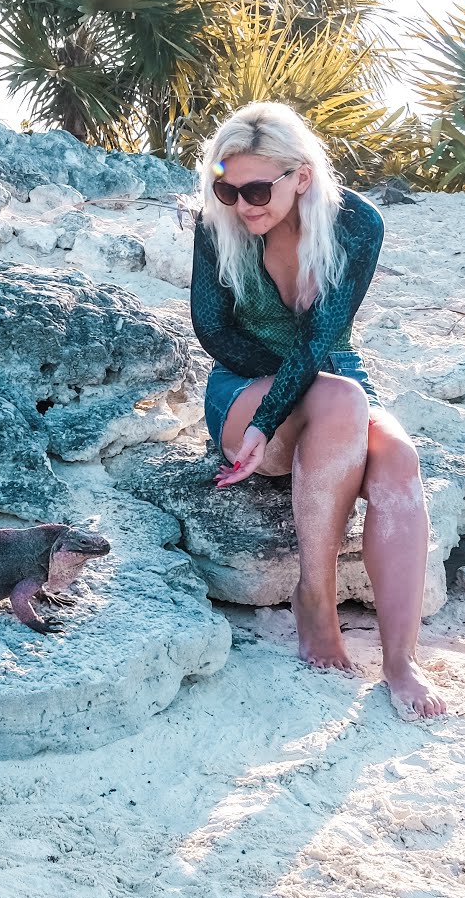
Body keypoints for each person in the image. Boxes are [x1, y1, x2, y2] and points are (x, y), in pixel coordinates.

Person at [189, 100, 445, 719]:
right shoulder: (217, 225)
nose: (242, 205)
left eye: (257, 190)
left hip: (332, 374)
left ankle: (401, 659)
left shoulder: (356, 224)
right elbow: (214, 331)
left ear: (300, 176)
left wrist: (286, 402)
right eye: (227, 190)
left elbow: (322, 336)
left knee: (398, 458)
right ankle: (315, 598)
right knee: (338, 396)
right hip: (245, 380)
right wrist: (268, 413)